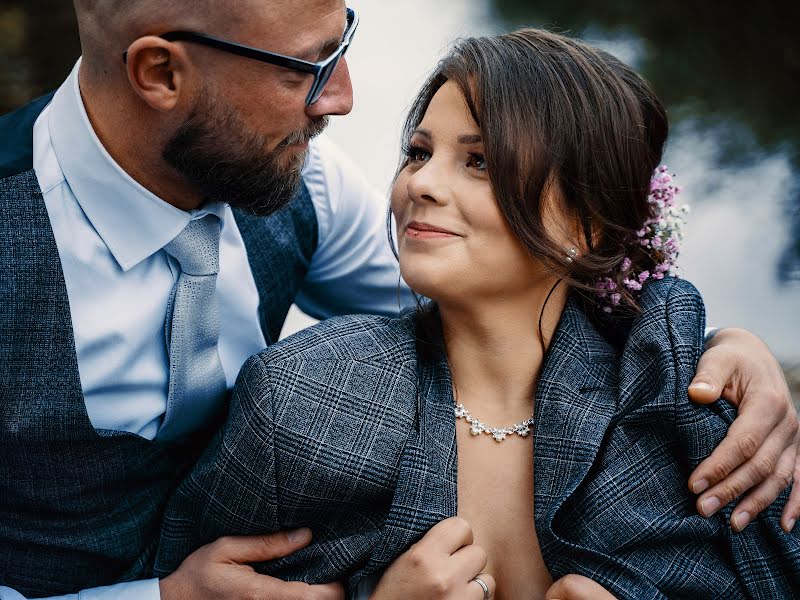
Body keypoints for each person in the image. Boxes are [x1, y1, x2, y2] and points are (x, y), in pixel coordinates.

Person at [0, 1, 796, 599]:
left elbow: (520, 287)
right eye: (305, 67)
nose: (341, 98)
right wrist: (162, 598)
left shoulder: (297, 181)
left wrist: (719, 345)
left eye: (343, 43)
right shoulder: (300, 409)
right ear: (161, 73)